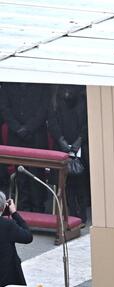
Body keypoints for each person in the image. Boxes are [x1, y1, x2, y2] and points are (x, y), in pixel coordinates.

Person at [0, 83, 51, 212]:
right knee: (21, 176)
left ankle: (38, 209)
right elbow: (4, 108)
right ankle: (24, 209)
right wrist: (17, 128)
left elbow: (44, 109)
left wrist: (28, 128)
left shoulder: (42, 85)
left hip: (36, 136)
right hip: (16, 136)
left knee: (36, 175)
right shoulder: (8, 85)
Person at [47, 85, 89, 223]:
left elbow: (86, 123)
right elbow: (52, 123)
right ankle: (71, 215)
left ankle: (82, 215)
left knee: (81, 183)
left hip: (80, 148)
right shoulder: (55, 103)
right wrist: (61, 140)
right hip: (62, 147)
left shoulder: (82, 103)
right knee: (67, 184)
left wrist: (80, 140)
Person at [0, 192, 33, 287]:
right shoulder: (8, 225)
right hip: (6, 279)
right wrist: (14, 213)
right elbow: (28, 237)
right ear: (3, 208)